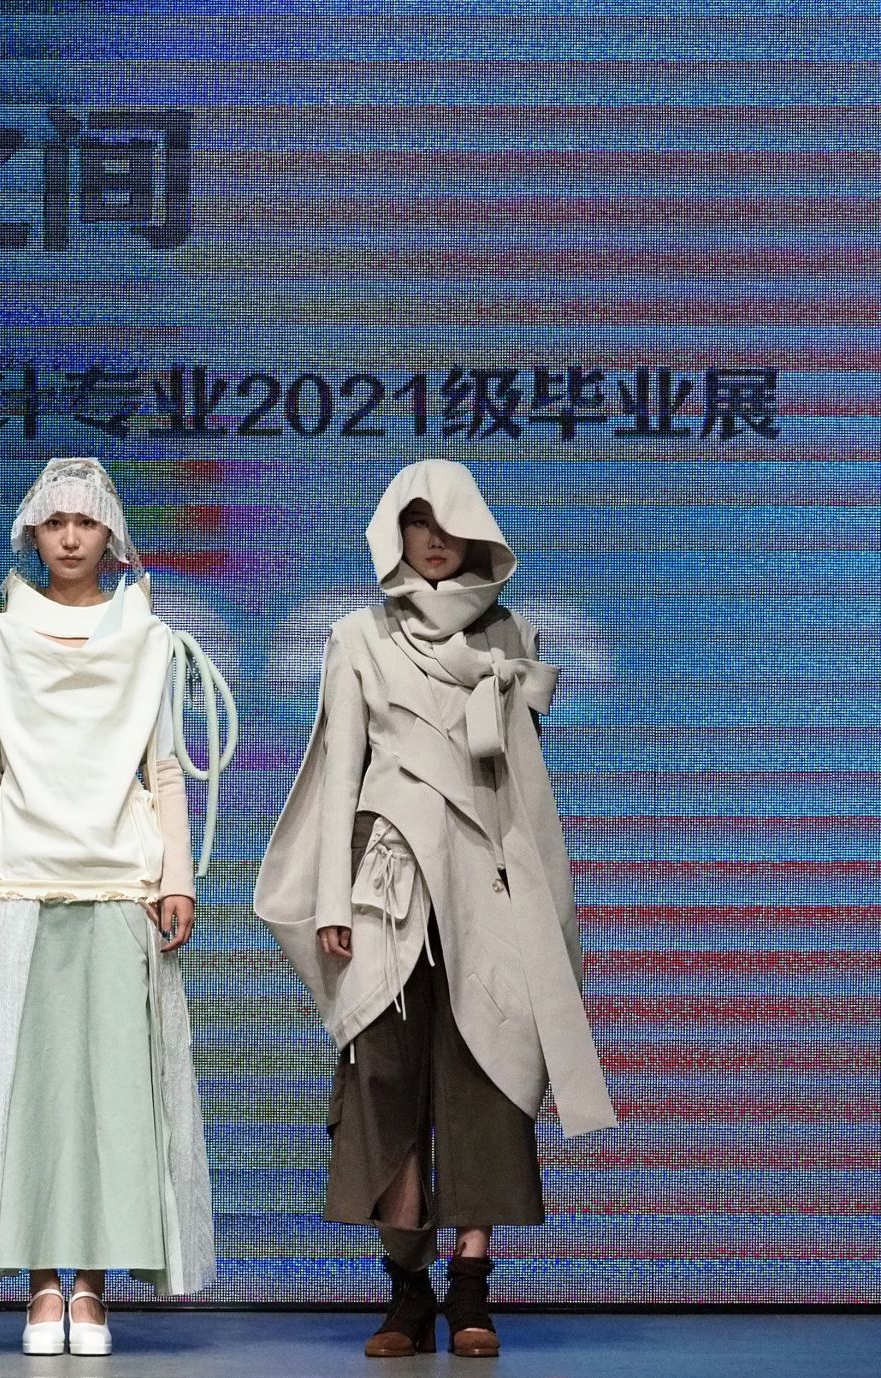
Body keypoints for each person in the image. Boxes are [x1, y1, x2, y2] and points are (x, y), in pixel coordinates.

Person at [254, 458, 616, 1359]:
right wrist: (331, 899)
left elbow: (523, 791)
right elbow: (338, 774)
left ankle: (471, 1287)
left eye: (451, 521)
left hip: (489, 886)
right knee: (384, 1081)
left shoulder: (511, 636)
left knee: (489, 1076)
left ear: (478, 530)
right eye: (419, 521)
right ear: (396, 533)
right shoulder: (359, 637)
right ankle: (407, 1291)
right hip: (389, 889)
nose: (436, 538)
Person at [0, 457, 236, 1357]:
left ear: (110, 536)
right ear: (32, 535)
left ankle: (91, 1285)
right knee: (27, 1095)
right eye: (53, 523)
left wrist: (178, 879)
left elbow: (164, 766)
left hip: (120, 885)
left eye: (84, 522)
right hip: (19, 881)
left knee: (113, 1098)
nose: (68, 537)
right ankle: (40, 1283)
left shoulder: (151, 641)